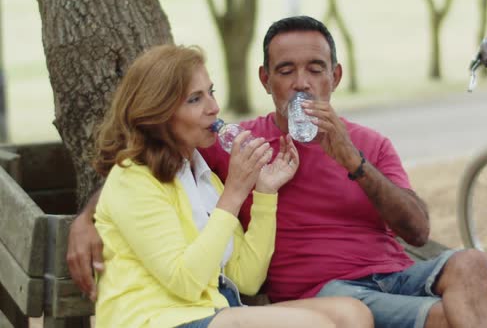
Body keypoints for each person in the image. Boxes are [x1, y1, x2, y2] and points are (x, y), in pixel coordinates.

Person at [68, 17, 487, 328]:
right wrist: (87, 218)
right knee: (445, 318)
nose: (301, 83)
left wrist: (350, 162)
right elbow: (140, 173)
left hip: (391, 276)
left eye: (315, 69)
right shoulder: (237, 149)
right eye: (286, 71)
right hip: (319, 293)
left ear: (334, 76)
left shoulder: (367, 145)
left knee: (471, 262)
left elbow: (418, 232)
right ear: (265, 80)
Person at [86, 44, 373, 328]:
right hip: (159, 320)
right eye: (195, 100)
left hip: (217, 311)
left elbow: (246, 278)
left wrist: (264, 192)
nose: (214, 108)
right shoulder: (133, 179)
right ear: (158, 112)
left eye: (210, 93)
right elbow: (185, 282)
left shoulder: (201, 176)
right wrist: (234, 192)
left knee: (352, 314)